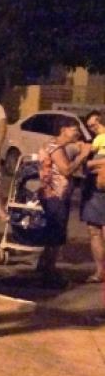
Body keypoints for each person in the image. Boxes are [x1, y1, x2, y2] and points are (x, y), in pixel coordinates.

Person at [36, 115, 91, 288]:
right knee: (56, 233)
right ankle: (49, 273)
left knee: (53, 233)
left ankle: (43, 266)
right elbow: (66, 170)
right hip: (56, 196)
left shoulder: (55, 145)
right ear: (63, 130)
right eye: (74, 130)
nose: (77, 133)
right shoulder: (55, 147)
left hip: (53, 194)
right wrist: (83, 155)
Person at [81, 111, 105, 283]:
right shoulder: (94, 142)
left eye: (96, 125)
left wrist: (91, 163)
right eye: (90, 126)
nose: (93, 129)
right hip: (93, 189)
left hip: (99, 188)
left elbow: (88, 164)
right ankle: (100, 271)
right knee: (94, 230)